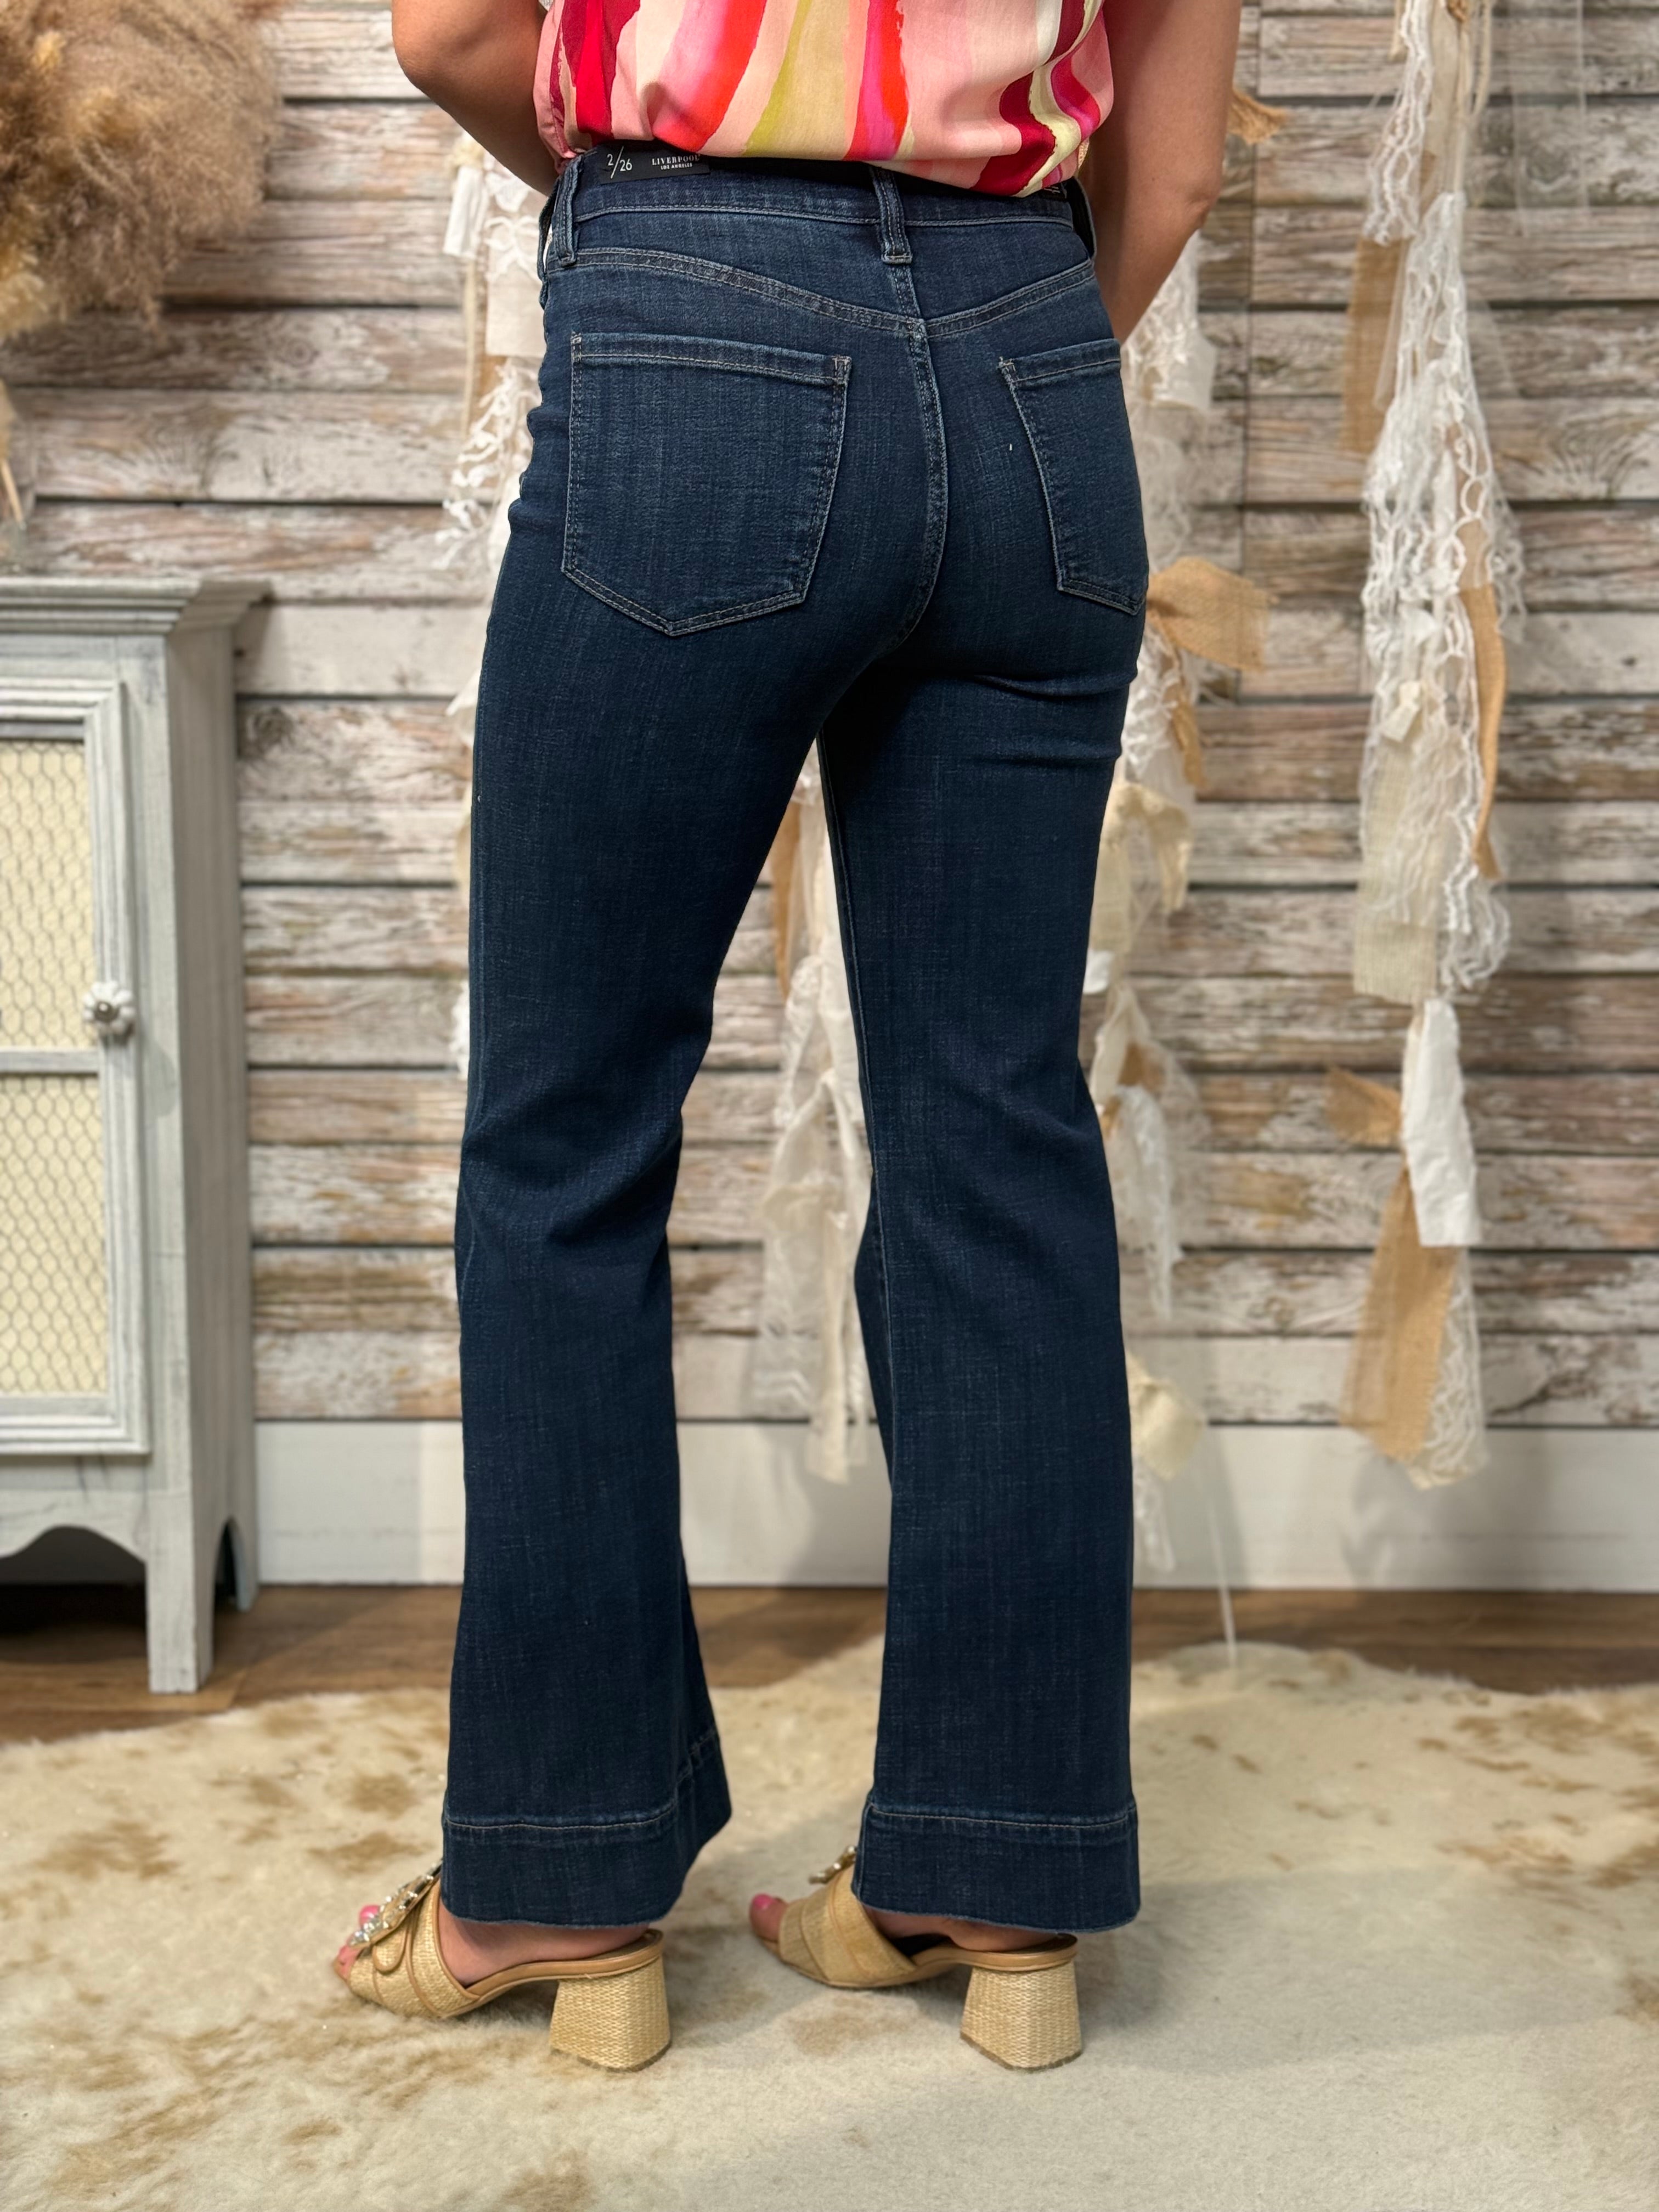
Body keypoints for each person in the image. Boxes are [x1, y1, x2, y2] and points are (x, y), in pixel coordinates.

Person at [335, 0, 1243, 2070]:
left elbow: (453, 30)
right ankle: (995, 1876)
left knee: (566, 1143)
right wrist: (983, 348)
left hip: (691, 314)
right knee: (995, 1134)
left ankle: (556, 1882)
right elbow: (1177, 172)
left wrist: (693, 261)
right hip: (1034, 370)